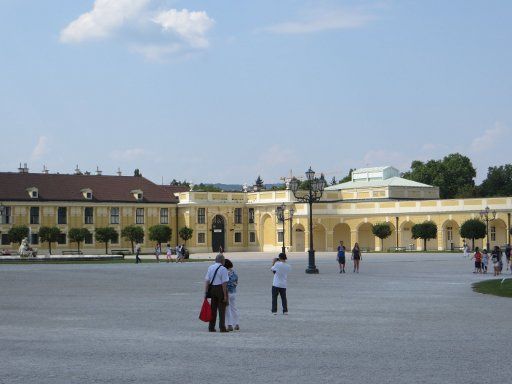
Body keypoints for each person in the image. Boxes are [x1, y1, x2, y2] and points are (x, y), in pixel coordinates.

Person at [204, 254, 229, 332]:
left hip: (212, 289)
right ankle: (222, 327)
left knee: (213, 309)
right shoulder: (223, 269)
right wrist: (225, 295)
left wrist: (206, 292)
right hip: (220, 289)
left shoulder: (210, 267)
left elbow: (207, 280)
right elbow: (224, 283)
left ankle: (211, 327)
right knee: (222, 309)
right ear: (222, 261)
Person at [224, 259, 239, 331]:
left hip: (227, 292)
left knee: (227, 308)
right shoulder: (234, 272)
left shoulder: (225, 272)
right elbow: (236, 282)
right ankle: (236, 324)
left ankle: (229, 324)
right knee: (234, 308)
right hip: (233, 292)